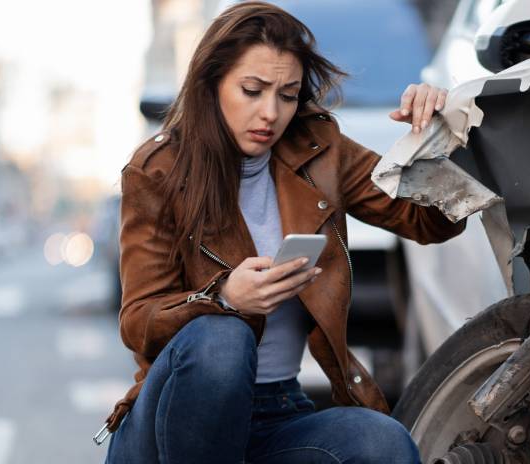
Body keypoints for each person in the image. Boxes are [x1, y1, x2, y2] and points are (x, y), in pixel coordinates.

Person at [102, 2, 466, 463]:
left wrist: (435, 136)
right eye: (252, 90)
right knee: (223, 340)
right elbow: (138, 322)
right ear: (211, 84)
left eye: (288, 94)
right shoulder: (157, 170)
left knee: (383, 443)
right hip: (171, 425)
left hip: (279, 413)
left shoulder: (318, 149)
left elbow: (430, 222)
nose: (270, 113)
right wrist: (226, 299)